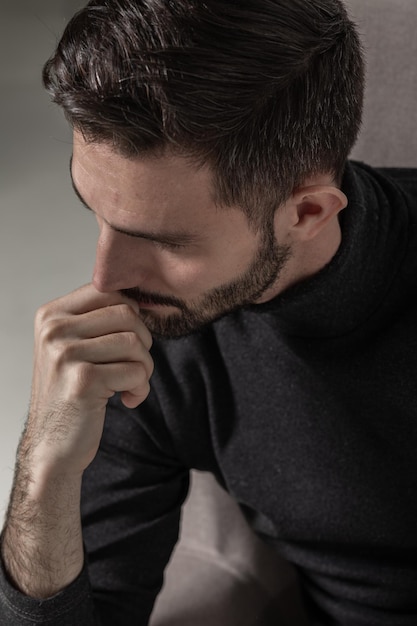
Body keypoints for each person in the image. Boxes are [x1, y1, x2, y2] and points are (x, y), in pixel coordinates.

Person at [1, 0, 417, 624]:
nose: (105, 279)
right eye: (96, 211)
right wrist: (42, 471)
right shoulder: (143, 342)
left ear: (307, 214)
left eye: (166, 241)